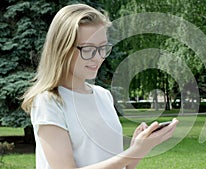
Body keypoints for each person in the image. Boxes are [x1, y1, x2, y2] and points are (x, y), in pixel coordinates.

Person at [21, 3, 178, 169]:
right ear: (63, 49)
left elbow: (120, 166)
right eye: (88, 49)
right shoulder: (48, 102)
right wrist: (133, 152)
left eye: (103, 48)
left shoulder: (103, 96)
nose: (98, 58)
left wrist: (136, 149)